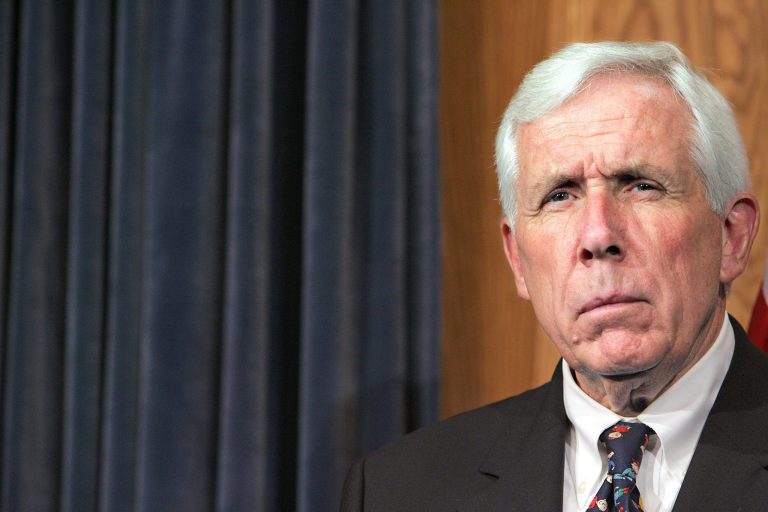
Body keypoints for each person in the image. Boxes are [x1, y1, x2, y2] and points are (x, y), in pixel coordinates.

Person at [340, 41, 768, 512]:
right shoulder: (396, 490)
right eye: (559, 196)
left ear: (731, 236)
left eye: (641, 185)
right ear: (518, 260)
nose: (598, 234)